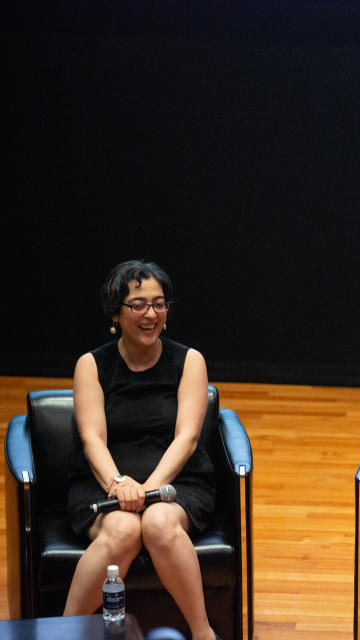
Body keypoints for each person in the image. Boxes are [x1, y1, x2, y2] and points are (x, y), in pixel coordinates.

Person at [64, 260, 218, 640]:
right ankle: (62, 632)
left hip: (177, 482)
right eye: (138, 304)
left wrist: (148, 489)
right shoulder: (91, 365)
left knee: (159, 522)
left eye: (159, 303)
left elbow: (188, 438)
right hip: (103, 482)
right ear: (116, 312)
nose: (151, 314)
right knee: (121, 530)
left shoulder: (189, 361)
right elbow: (92, 439)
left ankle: (203, 634)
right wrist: (118, 484)